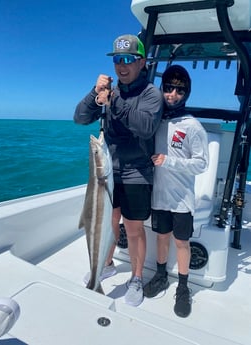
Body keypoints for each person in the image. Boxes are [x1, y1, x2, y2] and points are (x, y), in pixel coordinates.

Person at [74, 34, 163, 306]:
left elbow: (146, 126)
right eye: (116, 60)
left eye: (127, 59)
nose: (121, 66)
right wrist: (94, 92)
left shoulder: (151, 94)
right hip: (109, 173)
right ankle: (106, 264)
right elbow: (80, 118)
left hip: (137, 172)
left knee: (134, 229)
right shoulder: (109, 92)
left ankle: (136, 278)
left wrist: (115, 102)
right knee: (109, 222)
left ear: (142, 62)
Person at [143, 65, 209, 317]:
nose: (172, 94)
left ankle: (183, 287)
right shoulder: (156, 120)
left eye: (179, 90)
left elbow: (202, 163)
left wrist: (169, 161)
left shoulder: (192, 126)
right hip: (159, 195)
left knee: (181, 242)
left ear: (186, 93)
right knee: (161, 237)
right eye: (168, 88)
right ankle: (160, 276)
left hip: (182, 199)